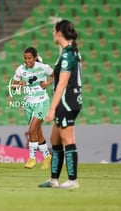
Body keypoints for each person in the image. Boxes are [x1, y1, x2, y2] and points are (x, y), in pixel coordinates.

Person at [38, 19, 82, 189]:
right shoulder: (71, 51)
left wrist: (51, 109)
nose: (52, 33)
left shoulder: (67, 56)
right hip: (71, 100)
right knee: (54, 139)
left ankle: (72, 180)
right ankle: (53, 179)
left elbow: (62, 84)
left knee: (67, 138)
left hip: (66, 101)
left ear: (59, 33)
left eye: (54, 30)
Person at [11, 47, 53, 169]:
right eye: (25, 58)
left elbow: (56, 76)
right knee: (37, 131)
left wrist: (47, 84)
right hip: (28, 104)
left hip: (42, 102)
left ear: (35, 57)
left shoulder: (43, 67)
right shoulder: (20, 69)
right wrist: (19, 84)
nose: (27, 60)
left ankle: (32, 158)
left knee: (31, 130)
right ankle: (47, 156)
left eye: (30, 58)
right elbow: (13, 87)